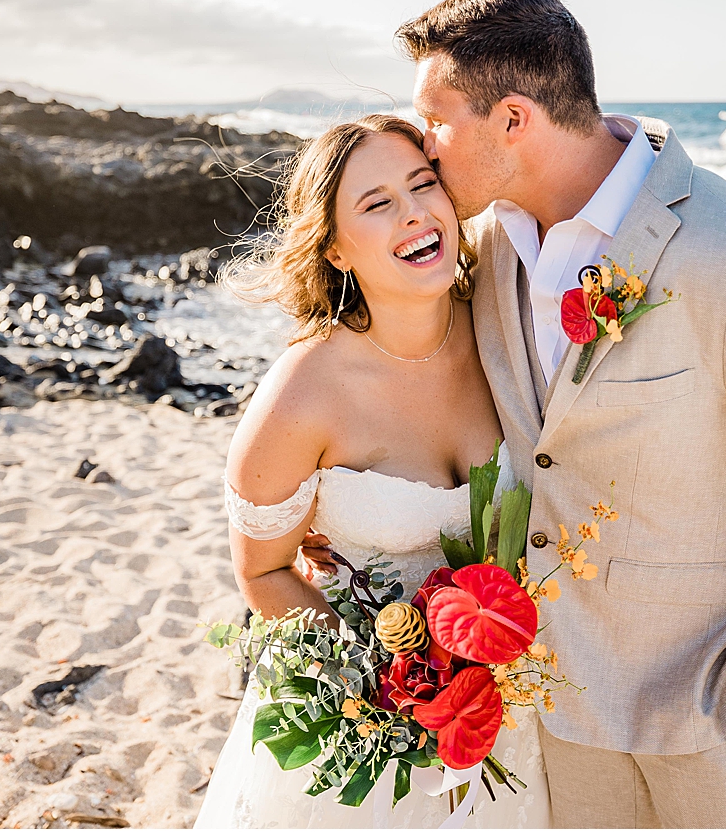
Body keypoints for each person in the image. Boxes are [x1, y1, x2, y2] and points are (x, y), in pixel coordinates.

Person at [392, 0, 726, 828]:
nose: (424, 144)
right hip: (553, 717)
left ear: (514, 120)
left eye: (437, 118)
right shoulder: (484, 249)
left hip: (711, 730)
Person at [195, 115, 551, 828]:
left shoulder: (506, 325)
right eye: (377, 202)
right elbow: (263, 571)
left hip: (505, 717)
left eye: (424, 184)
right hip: (365, 740)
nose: (415, 211)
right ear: (334, 246)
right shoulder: (304, 394)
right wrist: (384, 687)